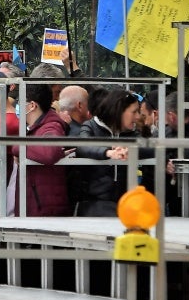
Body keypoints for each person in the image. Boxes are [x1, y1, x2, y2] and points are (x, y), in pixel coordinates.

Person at [69, 88, 142, 217]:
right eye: (134, 112)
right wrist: (108, 152)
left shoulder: (131, 133)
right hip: (93, 206)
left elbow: (151, 146)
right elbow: (83, 145)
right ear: (119, 111)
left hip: (125, 203)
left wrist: (130, 148)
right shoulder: (90, 126)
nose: (138, 116)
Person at [13, 82, 71, 216]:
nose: (16, 106)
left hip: (44, 210)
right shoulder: (35, 127)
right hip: (38, 206)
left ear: (32, 105)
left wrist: (18, 147)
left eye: (19, 101)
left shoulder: (52, 126)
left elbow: (50, 152)